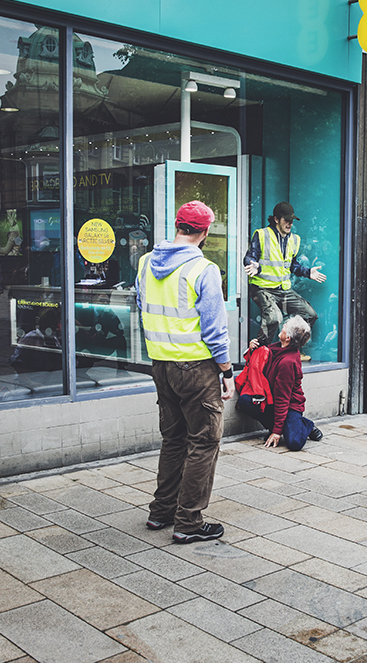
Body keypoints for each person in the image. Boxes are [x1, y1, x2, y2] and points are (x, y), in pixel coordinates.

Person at [138, 200, 234, 544]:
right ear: (205, 232)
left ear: (178, 226)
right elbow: (214, 330)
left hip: (161, 365)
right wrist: (226, 370)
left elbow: (142, 308)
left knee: (174, 439)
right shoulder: (204, 270)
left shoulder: (145, 262)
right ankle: (188, 522)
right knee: (204, 441)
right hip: (196, 369)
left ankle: (161, 511)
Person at [244, 202, 326, 359]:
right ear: (276, 219)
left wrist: (307, 272)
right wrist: (253, 265)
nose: (290, 223)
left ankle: (291, 351)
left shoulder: (294, 239)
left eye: (292, 220)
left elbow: (292, 264)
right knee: (274, 318)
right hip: (262, 288)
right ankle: (258, 355)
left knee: (310, 314)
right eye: (286, 220)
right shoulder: (262, 235)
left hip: (282, 289)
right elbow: (250, 256)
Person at [235, 316, 322, 451]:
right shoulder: (276, 347)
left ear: (288, 338)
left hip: (289, 406)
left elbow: (283, 399)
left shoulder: (288, 362)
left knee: (294, 443)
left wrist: (276, 431)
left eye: (285, 327)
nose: (283, 327)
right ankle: (282, 427)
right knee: (245, 402)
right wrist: (252, 349)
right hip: (270, 400)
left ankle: (306, 425)